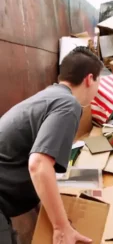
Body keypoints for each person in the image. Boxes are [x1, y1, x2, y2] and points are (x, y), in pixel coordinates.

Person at [0, 46, 103, 244]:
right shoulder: (68, 105)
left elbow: (34, 168)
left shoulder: (49, 97)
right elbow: (38, 165)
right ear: (90, 79)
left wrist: (57, 217)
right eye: (100, 81)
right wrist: (61, 227)